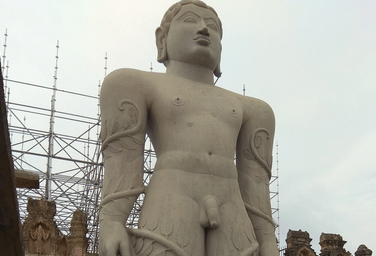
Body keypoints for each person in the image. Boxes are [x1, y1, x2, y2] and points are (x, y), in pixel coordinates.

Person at [98, 1, 278, 255]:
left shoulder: (255, 109)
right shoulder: (134, 83)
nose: (204, 29)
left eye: (213, 27)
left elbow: (255, 182)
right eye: (190, 20)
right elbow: (123, 158)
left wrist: (268, 239)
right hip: (172, 197)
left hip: (232, 207)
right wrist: (112, 219)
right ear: (162, 39)